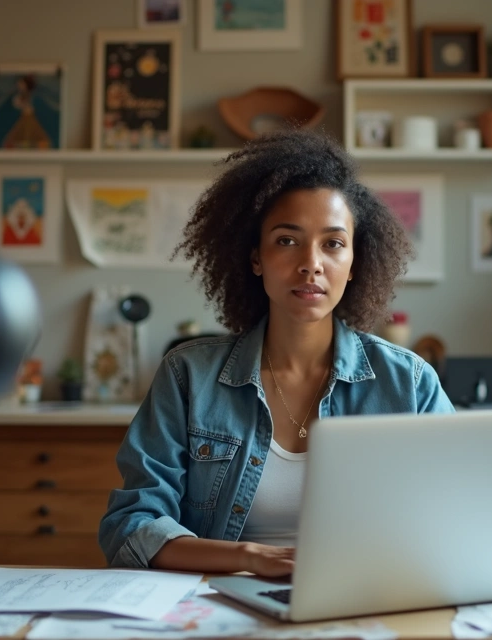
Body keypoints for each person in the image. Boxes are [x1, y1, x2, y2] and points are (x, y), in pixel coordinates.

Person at [97, 130, 455, 577]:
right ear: (255, 258)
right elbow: (132, 525)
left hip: (366, 598)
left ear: (354, 263)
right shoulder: (188, 376)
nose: (311, 263)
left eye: (333, 243)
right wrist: (249, 558)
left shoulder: (411, 383)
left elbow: (456, 519)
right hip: (219, 602)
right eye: (287, 240)